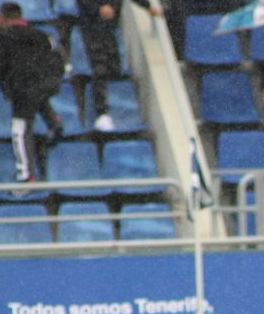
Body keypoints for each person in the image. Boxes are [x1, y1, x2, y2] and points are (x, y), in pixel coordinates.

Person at [0, 2, 64, 182]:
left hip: (23, 88)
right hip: (47, 83)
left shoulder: (4, 39)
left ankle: (26, 176)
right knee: (38, 95)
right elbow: (59, 57)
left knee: (20, 130)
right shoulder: (42, 35)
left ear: (3, 19)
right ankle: (54, 123)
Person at [76, 0, 161, 132]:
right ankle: (101, 114)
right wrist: (99, 8)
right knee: (100, 68)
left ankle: (116, 110)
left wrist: (148, 7)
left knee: (115, 67)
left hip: (109, 28)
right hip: (92, 27)